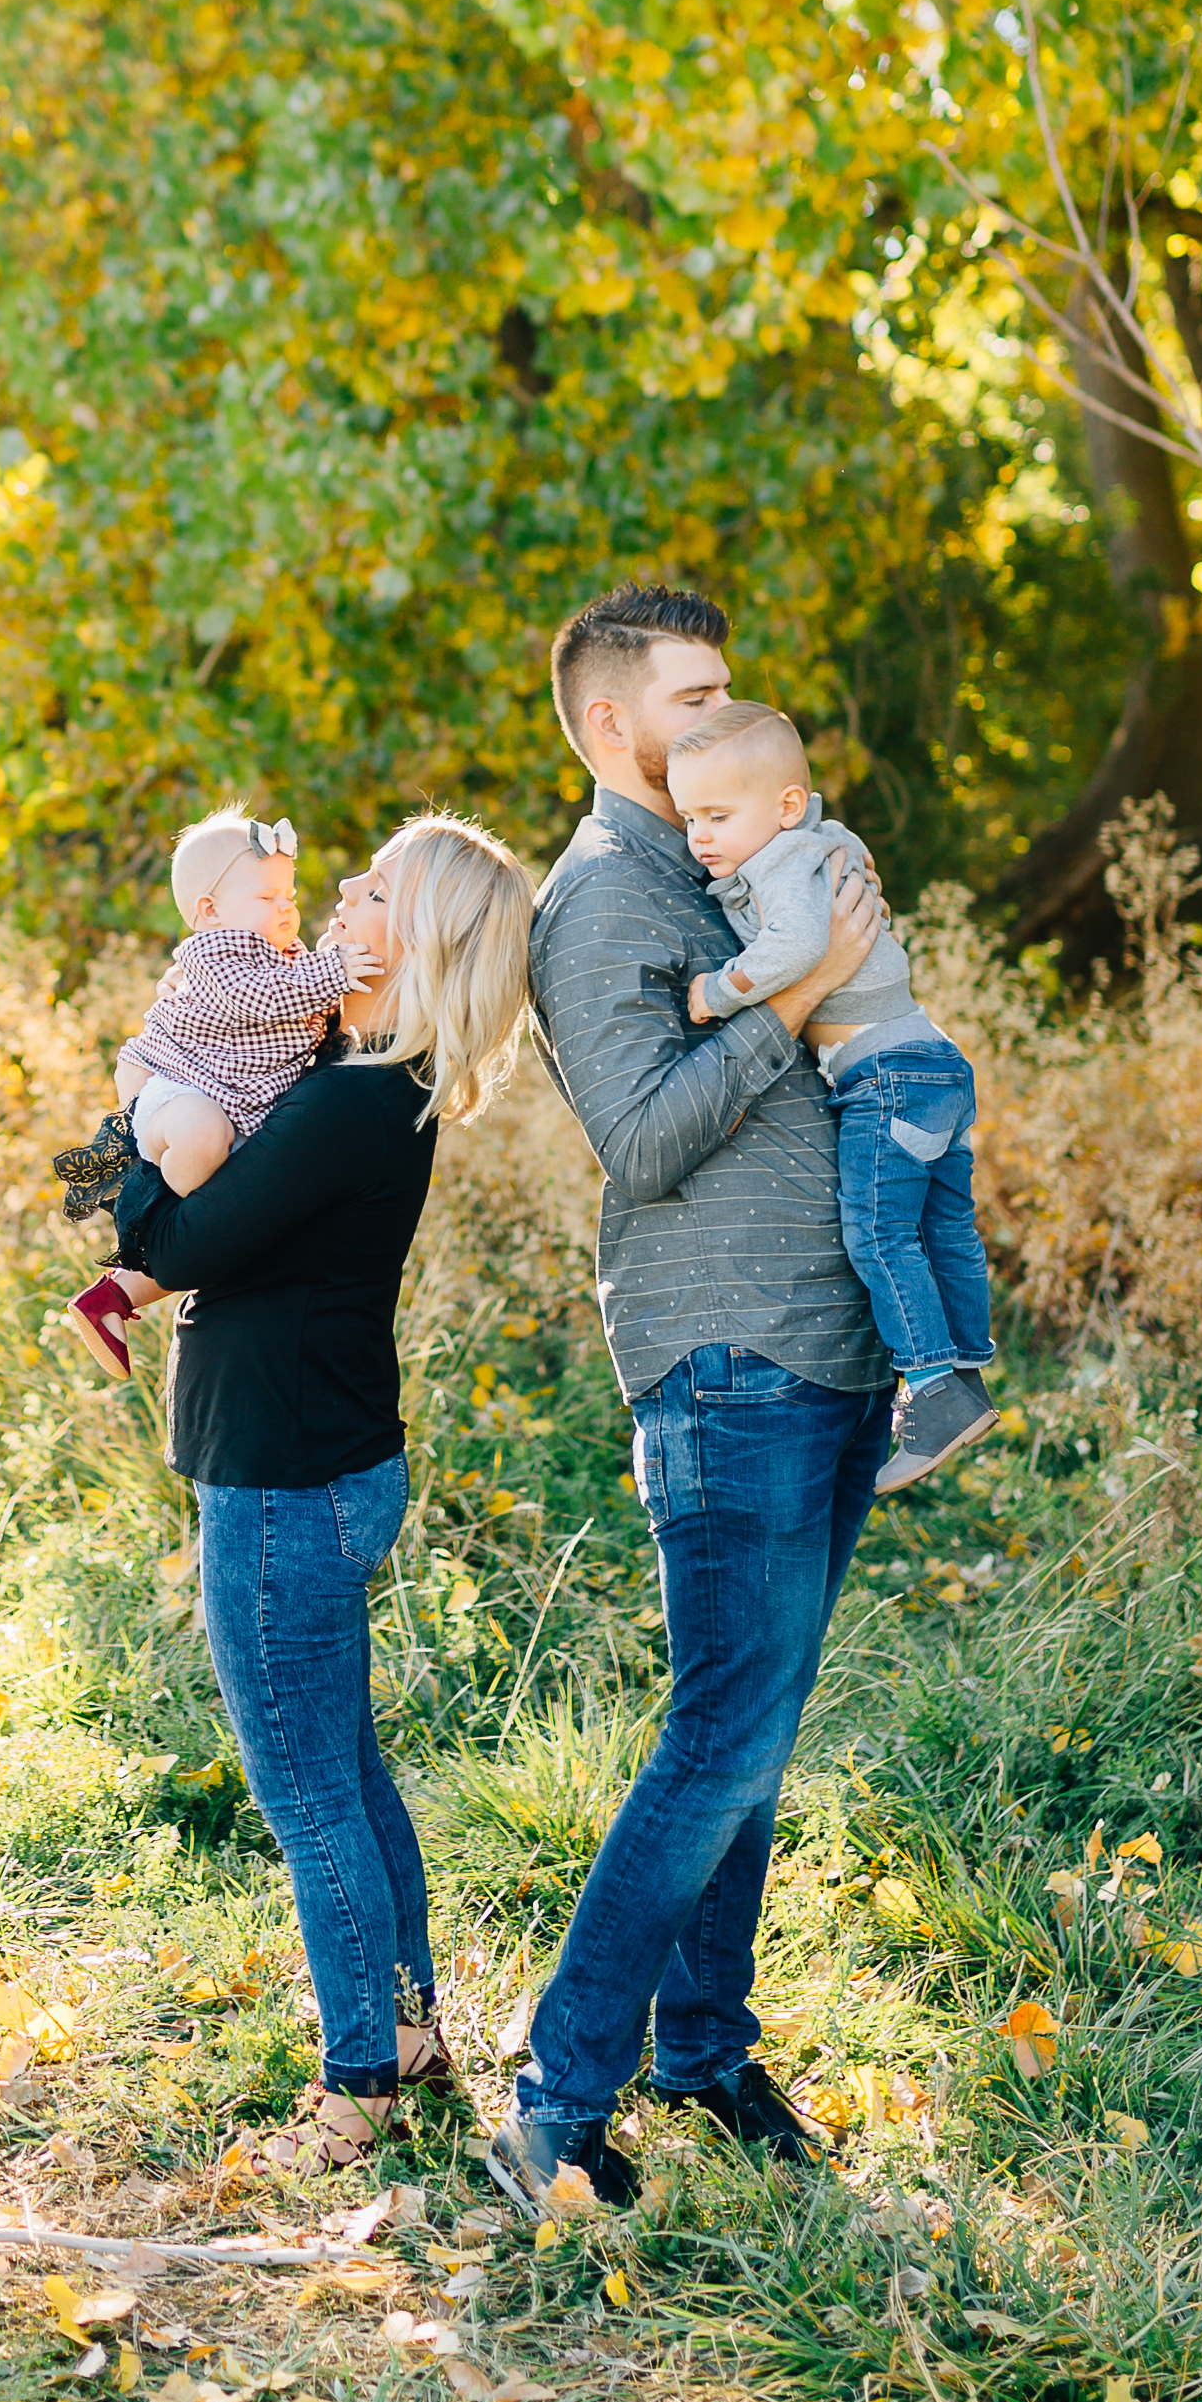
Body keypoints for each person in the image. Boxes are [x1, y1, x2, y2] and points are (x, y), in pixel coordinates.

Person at [484, 582, 893, 2219]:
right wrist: (797, 999)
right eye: (692, 692)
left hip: (827, 1345)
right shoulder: (597, 906)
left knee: (757, 1735)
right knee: (719, 1732)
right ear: (606, 725)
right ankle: (553, 2098)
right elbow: (644, 1140)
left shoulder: (739, 855)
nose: (726, 711)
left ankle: (703, 2054)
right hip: (728, 1361)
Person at [106, 811, 536, 2192]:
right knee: (343, 1771)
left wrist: (133, 1113)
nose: (337, 901)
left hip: (286, 1475)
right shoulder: (348, 1077)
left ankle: (357, 2084)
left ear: (415, 942)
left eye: (366, 892)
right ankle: (403, 2034)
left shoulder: (350, 1101)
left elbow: (166, 1239)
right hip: (320, 1456)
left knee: (304, 1792)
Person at [673, 700, 996, 1493]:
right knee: (942, 1226)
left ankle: (928, 1387)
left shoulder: (783, 857)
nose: (700, 837)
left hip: (882, 1074)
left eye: (717, 814)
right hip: (932, 1060)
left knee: (878, 1235)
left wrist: (718, 990)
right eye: (688, 818)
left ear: (784, 806)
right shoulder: (824, 838)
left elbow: (798, 946)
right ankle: (965, 1372)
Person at [57, 809, 378, 1380]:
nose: (286, 907)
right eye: (265, 897)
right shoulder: (215, 957)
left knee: (251, 1192)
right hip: (181, 1094)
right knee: (208, 1144)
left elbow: (303, 1011)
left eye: (290, 894)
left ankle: (116, 1296)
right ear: (209, 912)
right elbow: (256, 999)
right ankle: (183, 1214)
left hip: (233, 1106)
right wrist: (334, 971)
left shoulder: (288, 959)